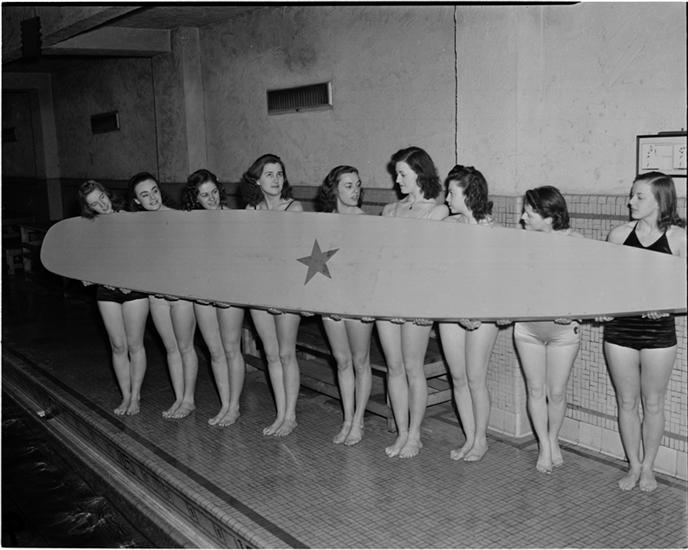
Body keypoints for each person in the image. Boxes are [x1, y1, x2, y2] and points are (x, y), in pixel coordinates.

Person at [601, 172, 686, 492]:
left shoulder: (679, 238)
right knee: (626, 401)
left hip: (659, 332)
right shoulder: (618, 235)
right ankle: (633, 465)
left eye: (639, 196)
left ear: (661, 200)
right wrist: (604, 307)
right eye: (631, 195)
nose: (630, 202)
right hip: (620, 328)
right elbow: (606, 285)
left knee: (653, 403)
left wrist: (668, 307)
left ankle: (649, 467)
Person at [377, 146, 448, 458]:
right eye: (397, 174)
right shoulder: (390, 210)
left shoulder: (438, 212)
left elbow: (435, 265)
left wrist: (427, 305)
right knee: (393, 367)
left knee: (412, 366)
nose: (397, 180)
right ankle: (402, 433)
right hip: (388, 297)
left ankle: (415, 435)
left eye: (402, 174)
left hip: (417, 299)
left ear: (420, 173)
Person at [513, 185, 584, 473]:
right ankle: (543, 445)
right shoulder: (521, 243)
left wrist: (574, 310)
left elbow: (588, 284)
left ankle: (553, 439)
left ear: (550, 217)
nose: (522, 218)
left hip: (563, 332)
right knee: (534, 389)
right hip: (527, 329)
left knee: (556, 392)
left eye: (529, 214)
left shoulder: (575, 242)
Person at [438, 165, 502, 462]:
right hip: (452, 309)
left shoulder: (491, 231)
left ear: (469, 194)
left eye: (452, 192)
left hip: (481, 313)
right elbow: (440, 272)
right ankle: (468, 437)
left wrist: (477, 309)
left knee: (476, 377)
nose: (447, 198)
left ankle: (481, 440)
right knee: (458, 377)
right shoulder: (447, 226)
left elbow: (499, 279)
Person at [239, 154, 304, 436]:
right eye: (269, 174)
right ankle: (280, 413)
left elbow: (294, 253)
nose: (276, 179)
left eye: (279, 174)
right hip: (260, 288)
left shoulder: (294, 208)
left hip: (286, 288)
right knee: (271, 353)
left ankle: (291, 416)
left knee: (287, 353)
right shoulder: (250, 209)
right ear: (257, 180)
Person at [128, 172, 199, 419]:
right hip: (156, 295)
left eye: (155, 191)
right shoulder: (138, 225)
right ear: (137, 201)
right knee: (170, 348)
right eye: (145, 195)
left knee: (185, 346)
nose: (152, 198)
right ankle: (179, 398)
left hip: (180, 295)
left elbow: (192, 258)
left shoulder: (179, 218)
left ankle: (189, 400)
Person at [77, 180, 149, 416]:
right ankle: (125, 395)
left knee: (135, 344)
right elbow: (87, 261)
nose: (102, 205)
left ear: (108, 194)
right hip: (107, 291)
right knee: (118, 345)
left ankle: (136, 395)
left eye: (102, 198)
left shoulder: (130, 219)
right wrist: (94, 277)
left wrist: (132, 280)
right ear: (89, 208)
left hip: (134, 290)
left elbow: (145, 255)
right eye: (94, 204)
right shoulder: (90, 228)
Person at [181, 169, 246, 426]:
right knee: (215, 351)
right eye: (205, 195)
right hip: (203, 291)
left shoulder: (233, 219)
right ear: (196, 198)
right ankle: (225, 404)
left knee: (231, 348)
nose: (212, 198)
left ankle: (235, 406)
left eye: (214, 192)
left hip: (230, 290)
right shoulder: (192, 222)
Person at [316, 165, 374, 445]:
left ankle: (359, 421)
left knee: (361, 361)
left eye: (358, 185)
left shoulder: (366, 222)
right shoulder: (324, 221)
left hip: (358, 301)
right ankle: (347, 418)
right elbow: (318, 266)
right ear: (334, 189)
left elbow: (371, 267)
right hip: (332, 301)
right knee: (342, 361)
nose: (355, 190)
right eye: (348, 185)